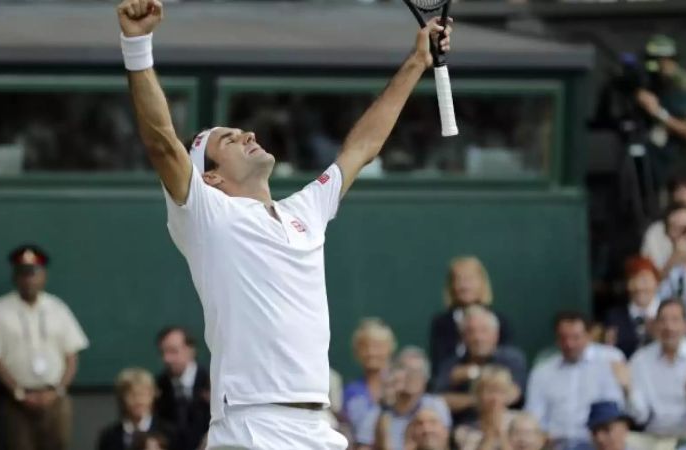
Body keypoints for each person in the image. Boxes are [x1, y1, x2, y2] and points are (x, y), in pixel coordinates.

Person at [117, 0, 453, 447]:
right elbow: (162, 143)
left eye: (243, 131)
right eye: (231, 140)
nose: (249, 135)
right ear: (210, 176)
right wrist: (137, 44)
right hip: (251, 428)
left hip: (317, 425)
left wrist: (417, 60)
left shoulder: (305, 210)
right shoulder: (205, 215)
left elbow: (362, 148)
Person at [0, 244, 89, 450]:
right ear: (15, 277)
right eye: (23, 274)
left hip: (55, 398)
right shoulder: (0, 309)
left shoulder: (57, 308)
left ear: (44, 276)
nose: (29, 279)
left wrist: (59, 390)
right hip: (16, 401)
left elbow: (72, 356)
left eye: (34, 273)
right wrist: (18, 392)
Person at [525, 311, 625, 450]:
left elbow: (615, 410)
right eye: (563, 338)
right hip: (554, 444)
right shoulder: (543, 371)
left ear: (589, 335)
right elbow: (534, 416)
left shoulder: (609, 360)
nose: (569, 344)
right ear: (556, 339)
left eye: (576, 338)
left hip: (596, 444)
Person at [625, 300, 686, 439]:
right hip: (652, 437)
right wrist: (627, 389)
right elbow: (640, 416)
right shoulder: (640, 360)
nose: (669, 327)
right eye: (663, 321)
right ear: (655, 325)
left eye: (675, 320)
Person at [433, 305, 527, 426]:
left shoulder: (511, 358)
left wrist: (474, 373)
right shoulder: (451, 364)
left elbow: (512, 395)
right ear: (463, 337)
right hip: (464, 428)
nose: (478, 338)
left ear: (496, 335)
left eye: (484, 330)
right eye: (471, 332)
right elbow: (439, 402)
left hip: (505, 425)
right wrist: (483, 398)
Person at [634, 34, 686, 188]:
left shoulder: (684, 85)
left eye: (661, 60)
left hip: (673, 166)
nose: (657, 66)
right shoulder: (648, 81)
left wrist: (658, 112)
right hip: (648, 162)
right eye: (651, 60)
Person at [355, 347, 451, 450]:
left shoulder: (434, 406)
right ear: (395, 375)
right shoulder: (377, 411)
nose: (411, 376)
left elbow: (440, 445)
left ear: (425, 378)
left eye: (417, 372)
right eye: (406, 370)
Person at [429, 256, 512, 376]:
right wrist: (471, 373)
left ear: (482, 282)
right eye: (458, 280)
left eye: (469, 280)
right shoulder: (441, 323)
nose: (464, 286)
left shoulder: (500, 321)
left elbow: (508, 366)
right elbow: (440, 369)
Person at [154, 327, 209, 450]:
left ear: (191, 350)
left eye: (173, 351)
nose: (167, 359)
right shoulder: (159, 387)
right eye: (163, 353)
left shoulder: (211, 382)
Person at [97, 368, 177, 450]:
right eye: (132, 394)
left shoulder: (169, 434)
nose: (138, 400)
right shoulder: (109, 437)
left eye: (143, 394)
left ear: (153, 396)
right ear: (122, 398)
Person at [344, 318, 397, 432]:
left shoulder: (399, 385)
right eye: (364, 347)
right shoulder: (350, 391)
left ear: (390, 348)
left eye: (378, 346)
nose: (371, 352)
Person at [604, 256, 662, 358]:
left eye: (644, 280)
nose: (639, 287)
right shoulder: (615, 317)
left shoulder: (668, 312)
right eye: (633, 280)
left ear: (656, 282)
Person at [451, 367, 521, 450]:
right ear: (478, 395)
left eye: (500, 392)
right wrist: (489, 437)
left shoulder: (521, 422)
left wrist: (501, 434)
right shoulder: (464, 432)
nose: (495, 398)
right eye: (490, 391)